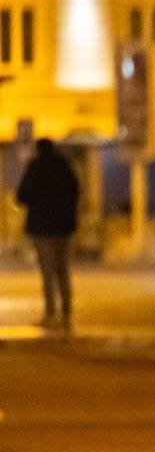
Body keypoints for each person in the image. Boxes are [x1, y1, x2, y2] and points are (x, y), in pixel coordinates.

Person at [15, 138, 79, 329]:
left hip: (41, 228)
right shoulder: (64, 166)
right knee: (63, 269)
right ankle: (66, 311)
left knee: (47, 271)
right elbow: (75, 191)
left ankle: (50, 312)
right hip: (64, 227)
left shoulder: (35, 167)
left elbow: (22, 196)